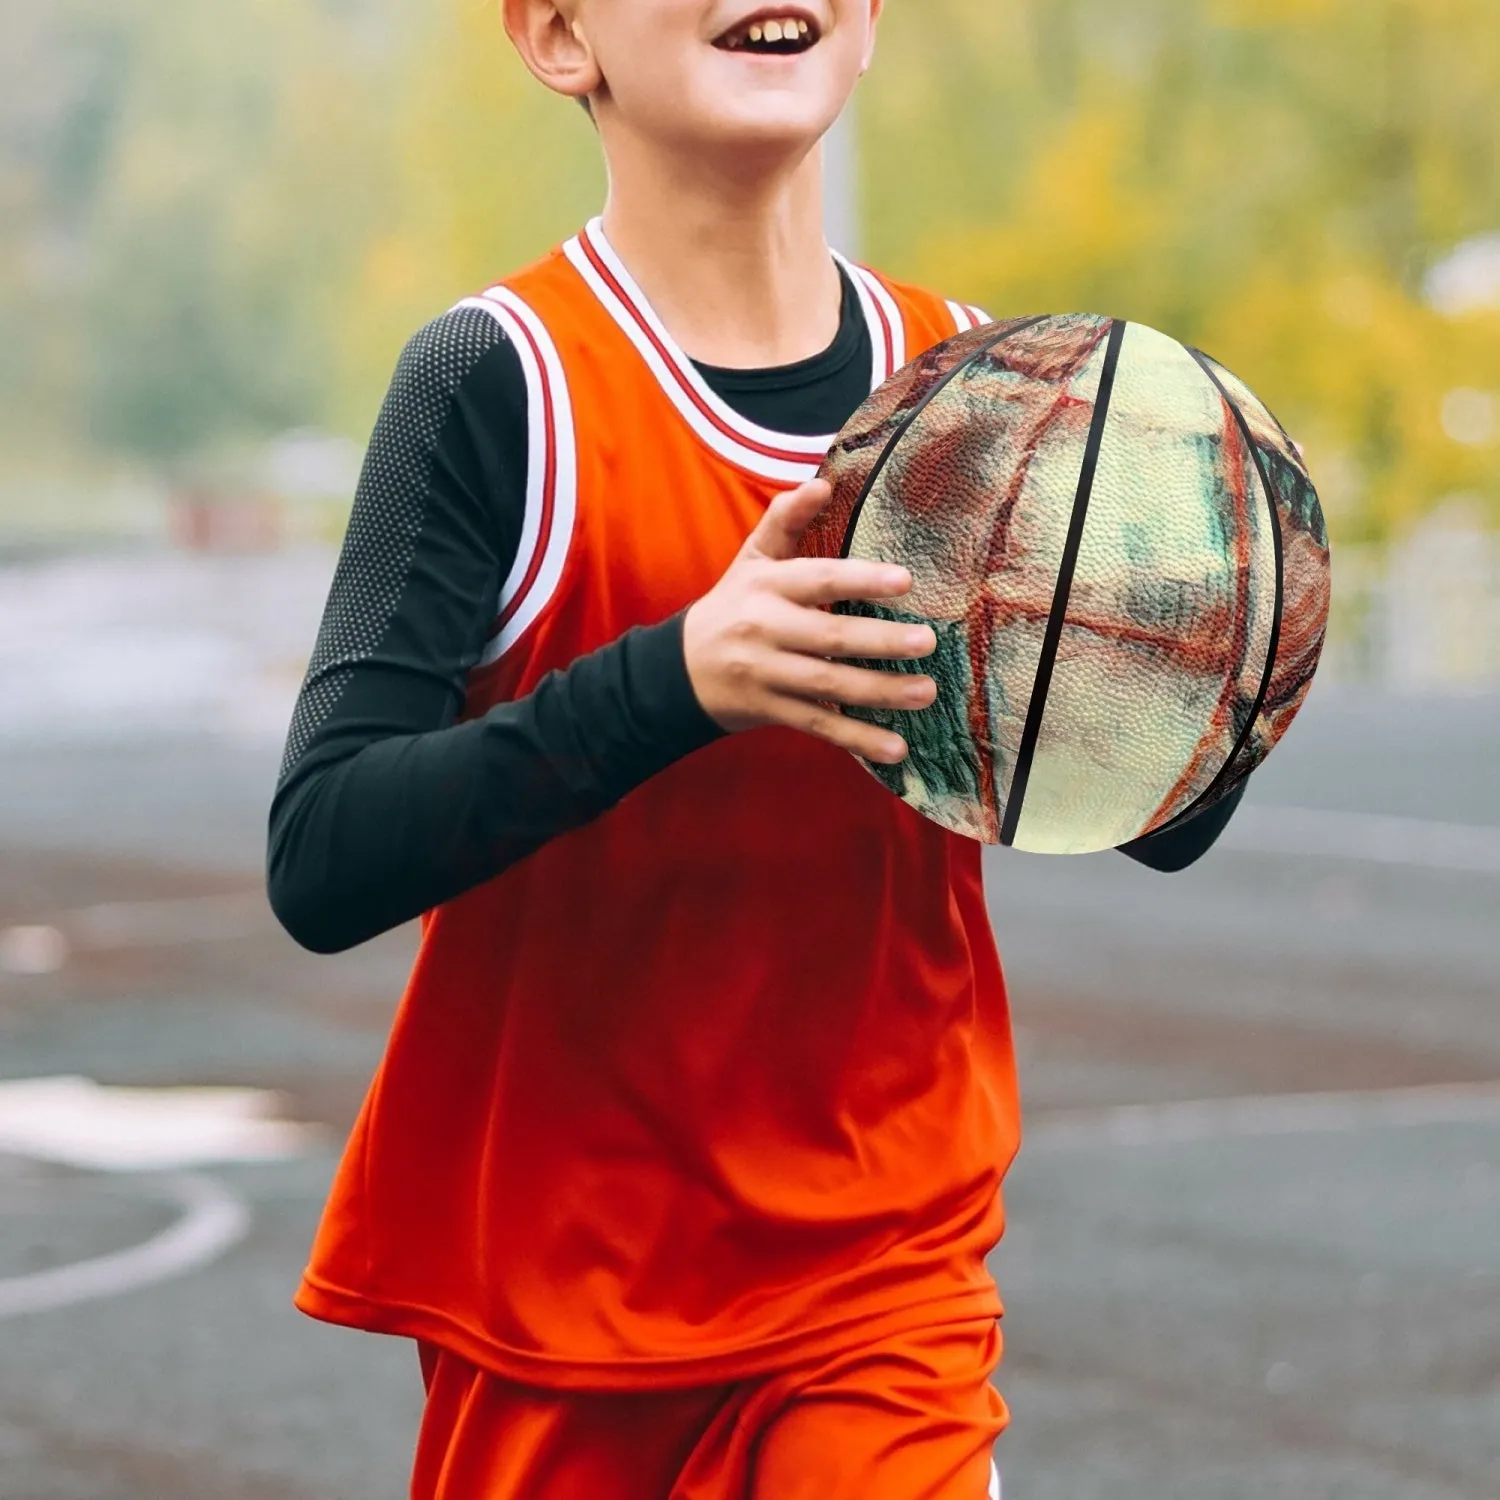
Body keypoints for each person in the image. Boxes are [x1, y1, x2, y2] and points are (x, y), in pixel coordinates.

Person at [267, 3, 1246, 1494]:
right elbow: (323, 853)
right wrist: (677, 679)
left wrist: (1212, 657)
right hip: (562, 1291)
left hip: (883, 1271)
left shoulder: (989, 399)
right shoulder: (498, 381)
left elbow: (1157, 815)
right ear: (555, 36)